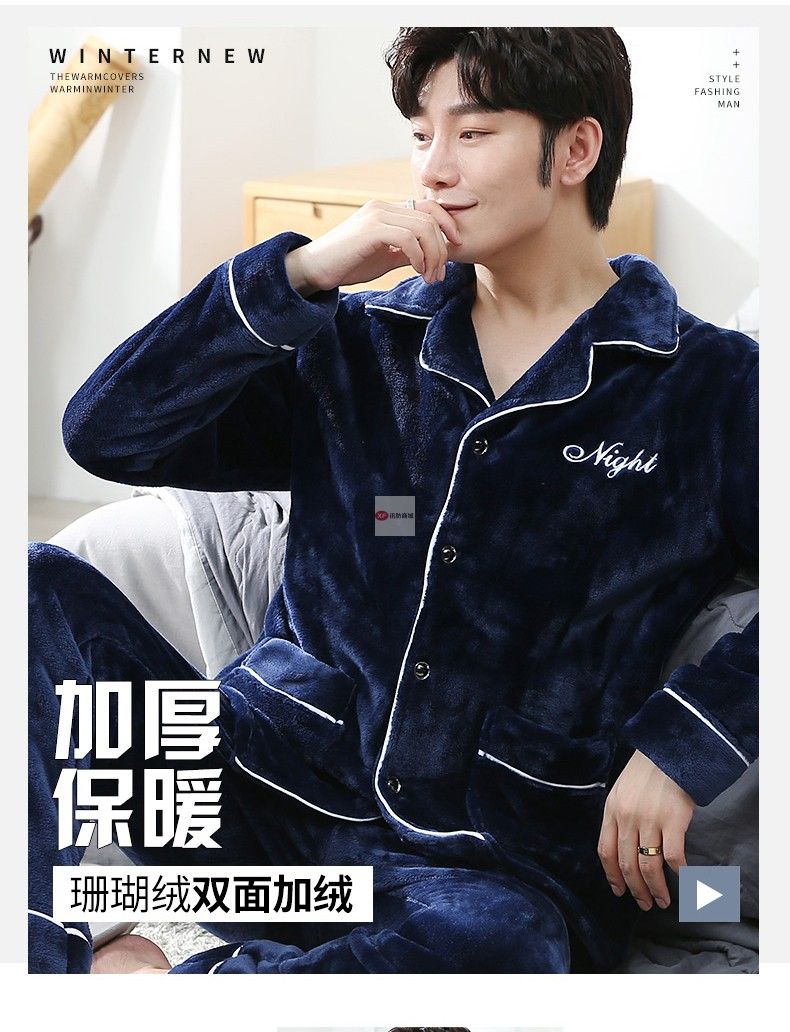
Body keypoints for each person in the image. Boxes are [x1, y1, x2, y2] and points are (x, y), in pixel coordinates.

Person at [28, 26, 758, 974]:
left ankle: (160, 984)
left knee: (504, 945)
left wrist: (681, 747)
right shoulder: (360, 341)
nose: (433, 169)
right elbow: (106, 432)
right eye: (421, 136)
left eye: (473, 133)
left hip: (481, 860)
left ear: (577, 149)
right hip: (251, 794)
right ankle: (45, 959)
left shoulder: (710, 387)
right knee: (30, 585)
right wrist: (301, 273)